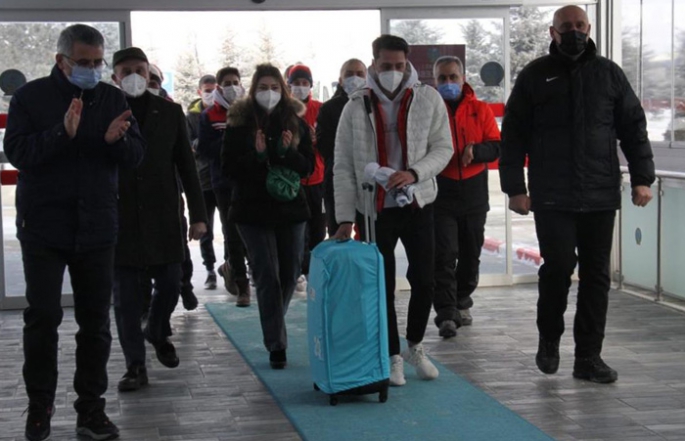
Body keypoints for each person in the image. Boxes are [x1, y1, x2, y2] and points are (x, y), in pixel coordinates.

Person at [3, 24, 145, 441]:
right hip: (44, 228)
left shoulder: (113, 97)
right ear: (60, 61)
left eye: (98, 62)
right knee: (43, 319)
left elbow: (135, 156)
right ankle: (39, 407)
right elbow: (18, 153)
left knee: (96, 325)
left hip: (98, 228)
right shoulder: (30, 98)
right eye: (83, 63)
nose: (92, 70)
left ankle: (91, 410)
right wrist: (61, 133)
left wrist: (116, 141)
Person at [500, 5, 655, 384]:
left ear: (589, 28)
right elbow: (513, 135)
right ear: (552, 32)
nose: (574, 31)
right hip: (551, 195)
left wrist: (642, 178)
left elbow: (633, 128)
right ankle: (549, 341)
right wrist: (515, 189)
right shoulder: (535, 75)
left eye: (579, 25)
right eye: (566, 26)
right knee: (558, 267)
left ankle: (588, 357)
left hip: (601, 193)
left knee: (596, 276)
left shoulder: (609, 75)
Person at [333, 35, 453, 386]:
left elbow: (443, 148)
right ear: (373, 65)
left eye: (400, 66)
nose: (394, 72)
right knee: (380, 285)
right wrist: (343, 218)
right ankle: (391, 355)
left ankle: (415, 345)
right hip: (374, 209)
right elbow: (342, 166)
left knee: (425, 279)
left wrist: (414, 173)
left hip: (418, 202)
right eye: (386, 66)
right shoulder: (355, 106)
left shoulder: (427, 98)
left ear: (408, 64)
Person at [109, 47, 207, 392]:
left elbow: (186, 166)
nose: (135, 76)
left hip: (164, 215)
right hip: (118, 217)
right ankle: (135, 366)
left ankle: (156, 328)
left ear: (149, 74)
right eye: (127, 70)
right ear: (114, 77)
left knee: (170, 283)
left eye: (141, 69)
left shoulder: (170, 111)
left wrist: (199, 216)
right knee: (125, 299)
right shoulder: (103, 111)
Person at [222, 63, 314, 369]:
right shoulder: (238, 123)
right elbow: (229, 169)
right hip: (251, 209)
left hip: (291, 208)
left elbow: (308, 168)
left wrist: (287, 151)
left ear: (283, 90)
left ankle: (274, 320)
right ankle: (276, 344)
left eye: (274, 88)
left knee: (289, 273)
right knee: (266, 274)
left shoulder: (297, 122)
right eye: (263, 88)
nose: (269, 94)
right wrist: (258, 155)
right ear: (253, 90)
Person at [431, 55, 501, 338]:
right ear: (434, 81)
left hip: (473, 189)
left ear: (463, 77)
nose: (448, 83)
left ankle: (462, 300)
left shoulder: (480, 109)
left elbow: (496, 146)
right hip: (441, 190)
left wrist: (477, 151)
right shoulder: (429, 110)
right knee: (444, 253)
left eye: (453, 77)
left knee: (471, 254)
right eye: (442, 79)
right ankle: (446, 313)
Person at [197, 67, 251, 306]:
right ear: (219, 87)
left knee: (251, 231)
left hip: (250, 182)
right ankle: (242, 285)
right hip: (223, 183)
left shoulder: (251, 111)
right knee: (232, 232)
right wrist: (229, 139)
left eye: (235, 82)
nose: (232, 86)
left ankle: (238, 269)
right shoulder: (209, 115)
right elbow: (204, 150)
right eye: (227, 83)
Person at [316, 58, 367, 236]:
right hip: (336, 178)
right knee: (338, 232)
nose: (355, 78)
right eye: (349, 74)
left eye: (360, 74)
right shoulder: (328, 108)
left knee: (369, 234)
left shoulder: (372, 105)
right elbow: (324, 145)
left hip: (367, 178)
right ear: (340, 79)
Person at [286, 64, 324, 294]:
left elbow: (329, 142)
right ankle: (298, 269)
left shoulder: (320, 109)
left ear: (310, 85)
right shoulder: (285, 111)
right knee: (298, 231)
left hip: (318, 178)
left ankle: (315, 273)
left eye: (304, 83)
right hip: (294, 182)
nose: (300, 87)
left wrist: (315, 140)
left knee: (319, 230)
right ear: (289, 85)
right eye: (296, 83)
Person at [186, 74, 219, 293]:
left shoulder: (223, 113)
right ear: (200, 92)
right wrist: (205, 140)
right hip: (202, 180)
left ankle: (235, 267)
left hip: (223, 179)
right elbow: (189, 146)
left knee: (232, 226)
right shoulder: (191, 117)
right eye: (207, 90)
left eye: (214, 89)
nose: (211, 93)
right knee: (205, 227)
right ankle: (210, 270)